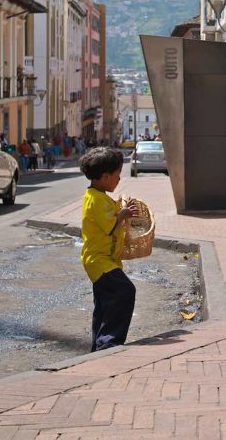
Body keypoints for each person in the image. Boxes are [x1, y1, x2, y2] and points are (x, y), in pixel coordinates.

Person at [78, 147, 139, 351]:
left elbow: (111, 214)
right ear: (104, 177)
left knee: (104, 304)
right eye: (117, 175)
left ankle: (98, 345)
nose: (119, 179)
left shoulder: (99, 195)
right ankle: (109, 342)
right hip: (99, 260)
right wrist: (122, 215)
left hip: (104, 260)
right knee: (124, 290)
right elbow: (111, 225)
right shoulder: (95, 200)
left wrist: (122, 210)